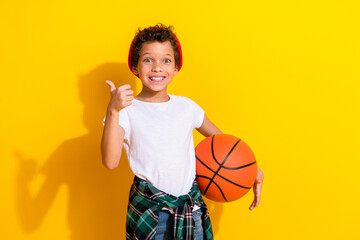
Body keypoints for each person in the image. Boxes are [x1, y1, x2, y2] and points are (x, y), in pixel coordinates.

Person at [101, 23, 264, 240]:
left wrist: (251, 170)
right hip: (151, 213)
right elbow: (110, 162)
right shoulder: (126, 111)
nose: (157, 67)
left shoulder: (187, 107)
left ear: (176, 68)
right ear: (135, 67)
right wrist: (113, 109)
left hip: (191, 211)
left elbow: (226, 147)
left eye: (166, 60)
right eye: (148, 59)